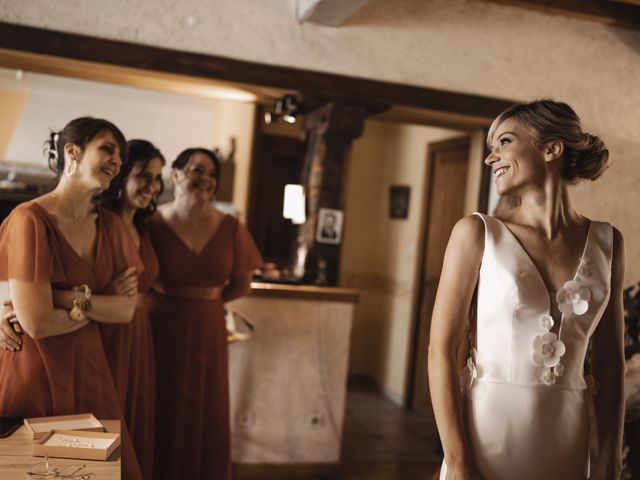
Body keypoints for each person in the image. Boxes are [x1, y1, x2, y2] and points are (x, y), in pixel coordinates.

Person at [428, 99, 625, 480]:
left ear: (551, 149)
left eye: (503, 142)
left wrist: (609, 459)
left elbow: (610, 363)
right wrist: (458, 461)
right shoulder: (476, 233)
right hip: (486, 437)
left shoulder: (608, 242)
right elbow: (440, 350)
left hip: (567, 442)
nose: (491, 158)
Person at [0, 117, 144, 479]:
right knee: (34, 471)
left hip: (90, 365)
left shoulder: (111, 226)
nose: (116, 161)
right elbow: (37, 324)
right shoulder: (29, 219)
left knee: (100, 472)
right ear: (72, 152)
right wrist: (92, 305)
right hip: (34, 367)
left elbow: (126, 309)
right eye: (107, 148)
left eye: (120, 156)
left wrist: (62, 298)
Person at [148, 147, 263, 480]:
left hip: (209, 328)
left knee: (206, 409)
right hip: (161, 325)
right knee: (162, 406)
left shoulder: (230, 227)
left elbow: (242, 284)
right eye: (198, 170)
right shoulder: (152, 221)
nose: (206, 180)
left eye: (213, 174)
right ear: (176, 175)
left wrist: (207, 300)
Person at [95, 139, 165, 480]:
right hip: (106, 335)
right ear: (121, 176)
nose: (153, 186)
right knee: (108, 419)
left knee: (136, 421)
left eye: (157, 178)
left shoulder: (144, 228)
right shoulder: (98, 224)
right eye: (143, 176)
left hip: (140, 338)